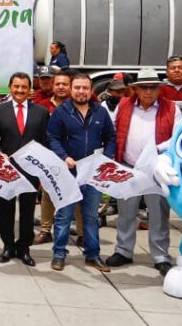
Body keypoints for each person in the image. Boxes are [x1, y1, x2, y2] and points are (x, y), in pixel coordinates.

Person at [104, 68, 180, 276]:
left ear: (159, 89)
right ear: (136, 90)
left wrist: (158, 150)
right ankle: (123, 250)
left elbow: (178, 138)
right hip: (128, 165)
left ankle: (161, 255)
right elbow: (113, 130)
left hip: (156, 168)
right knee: (126, 213)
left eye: (153, 87)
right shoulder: (124, 105)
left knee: (158, 214)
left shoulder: (171, 109)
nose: (148, 91)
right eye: (144, 87)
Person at [47, 72, 117, 272]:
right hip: (69, 172)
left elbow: (111, 138)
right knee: (63, 215)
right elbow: (52, 137)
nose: (81, 91)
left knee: (91, 217)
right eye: (77, 87)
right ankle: (59, 254)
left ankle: (92, 255)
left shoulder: (100, 112)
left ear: (91, 90)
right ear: (71, 89)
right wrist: (63, 156)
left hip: (92, 173)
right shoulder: (62, 111)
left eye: (85, 88)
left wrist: (107, 158)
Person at [0, 72, 48, 267]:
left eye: (24, 87)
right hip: (6, 171)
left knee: (27, 211)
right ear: (10, 87)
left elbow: (44, 143)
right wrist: (1, 155)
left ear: (29, 89)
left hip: (31, 171)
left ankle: (24, 248)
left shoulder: (41, 112)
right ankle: (8, 246)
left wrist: (42, 171)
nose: (20, 90)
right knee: (6, 210)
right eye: (16, 86)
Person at [34, 69, 73, 245]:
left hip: (74, 156)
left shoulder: (79, 105)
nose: (61, 87)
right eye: (58, 84)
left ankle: (80, 233)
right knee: (48, 194)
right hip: (49, 156)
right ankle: (45, 230)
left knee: (76, 194)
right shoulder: (42, 106)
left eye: (65, 84)